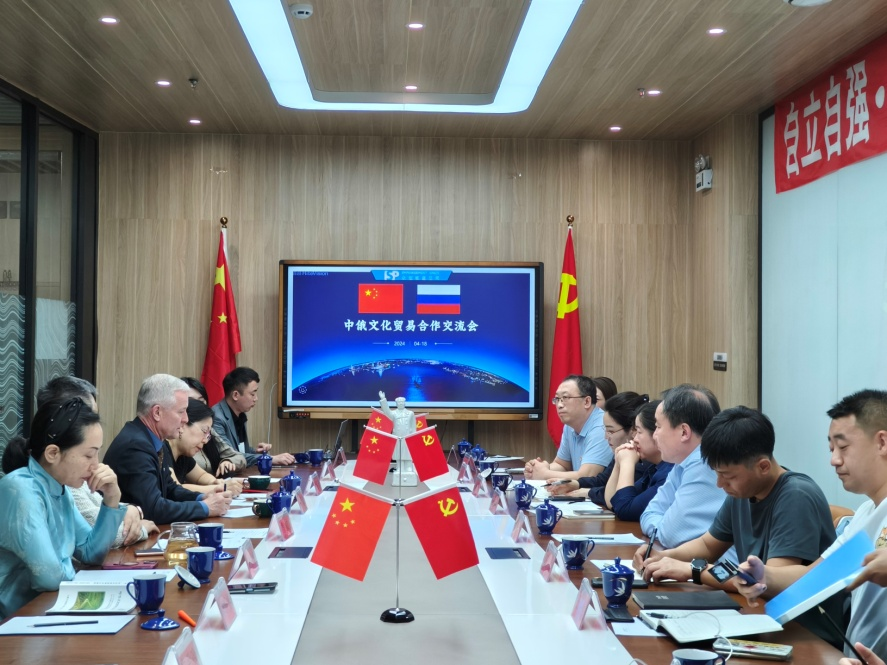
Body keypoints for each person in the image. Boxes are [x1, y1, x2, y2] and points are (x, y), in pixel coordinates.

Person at [637, 406, 839, 646]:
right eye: (717, 474)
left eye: (728, 476)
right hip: (764, 618)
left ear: (763, 466)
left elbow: (763, 581)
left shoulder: (795, 496)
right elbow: (707, 545)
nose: (720, 484)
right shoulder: (743, 491)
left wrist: (693, 571)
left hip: (806, 635)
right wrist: (663, 557)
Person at [737, 390, 887, 661]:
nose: (834, 460)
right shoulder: (866, 514)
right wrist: (763, 576)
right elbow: (816, 577)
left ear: (882, 442)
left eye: (843, 447)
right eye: (831, 449)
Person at [0, 398, 126, 618]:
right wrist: (71, 568)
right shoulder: (21, 489)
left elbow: (90, 552)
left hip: (45, 608)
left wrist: (112, 499)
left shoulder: (59, 487)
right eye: (89, 455)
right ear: (52, 453)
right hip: (13, 619)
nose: (96, 465)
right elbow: (49, 577)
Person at [35, 376, 155, 547]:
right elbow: (98, 538)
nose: (96, 464)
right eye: (88, 417)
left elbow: (99, 520)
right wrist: (140, 528)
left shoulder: (70, 475)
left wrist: (132, 509)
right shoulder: (54, 479)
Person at [104, 374, 232, 523]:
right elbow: (152, 508)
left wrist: (201, 497)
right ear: (157, 412)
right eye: (181, 412)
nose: (186, 419)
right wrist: (205, 507)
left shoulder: (152, 439)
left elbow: (169, 488)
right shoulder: (136, 447)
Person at [638, 384, 725, 548]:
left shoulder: (704, 464)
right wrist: (662, 525)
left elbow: (670, 535)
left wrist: (662, 526)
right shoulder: (683, 462)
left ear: (684, 432)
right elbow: (649, 513)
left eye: (658, 427)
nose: (655, 435)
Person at [547, 391, 651, 502]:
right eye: (605, 430)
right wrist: (576, 484)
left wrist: (589, 492)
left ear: (633, 430)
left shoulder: (646, 460)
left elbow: (620, 496)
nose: (606, 437)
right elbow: (603, 480)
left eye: (611, 431)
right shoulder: (624, 451)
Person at [525, 375, 611, 481]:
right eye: (557, 399)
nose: (559, 405)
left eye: (565, 398)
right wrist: (538, 468)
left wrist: (545, 474)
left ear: (587, 402)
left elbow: (587, 476)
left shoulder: (603, 427)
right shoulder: (570, 426)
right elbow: (562, 465)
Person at [602, 399, 674, 520]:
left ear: (656, 433)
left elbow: (625, 509)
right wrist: (618, 463)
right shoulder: (655, 467)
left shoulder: (668, 471)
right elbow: (612, 502)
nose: (634, 439)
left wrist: (627, 463)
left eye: (639, 432)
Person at [212, 367, 294, 467]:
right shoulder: (217, 418)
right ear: (235, 395)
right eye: (252, 394)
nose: (256, 398)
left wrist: (255, 451)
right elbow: (230, 455)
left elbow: (239, 450)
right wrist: (270, 459)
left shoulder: (240, 414)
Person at [166, 398, 243, 496]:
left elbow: (200, 476)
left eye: (208, 435)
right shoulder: (163, 449)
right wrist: (220, 488)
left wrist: (216, 482)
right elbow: (175, 488)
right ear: (183, 424)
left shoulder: (183, 453)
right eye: (204, 431)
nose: (206, 440)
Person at [181, 377, 246, 476]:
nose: (198, 406)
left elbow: (238, 457)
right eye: (192, 401)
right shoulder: (176, 437)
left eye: (201, 401)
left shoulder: (209, 431)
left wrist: (228, 462)